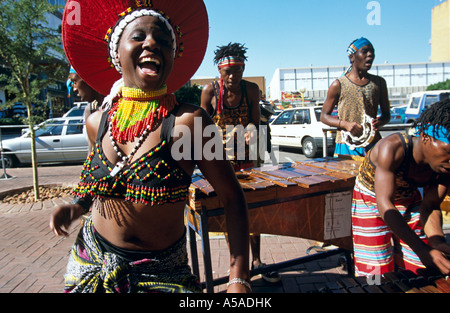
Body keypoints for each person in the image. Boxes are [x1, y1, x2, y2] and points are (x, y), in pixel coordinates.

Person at [50, 0, 250, 293]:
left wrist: (238, 278)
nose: (152, 44)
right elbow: (100, 183)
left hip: (162, 273)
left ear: (173, 55)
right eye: (139, 36)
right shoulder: (98, 122)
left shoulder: (189, 123)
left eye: (164, 40)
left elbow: (233, 199)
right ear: (117, 53)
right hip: (90, 262)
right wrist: (76, 207)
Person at [200, 43, 280, 283]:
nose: (233, 76)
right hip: (221, 160)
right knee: (228, 210)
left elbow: (256, 121)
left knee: (253, 207)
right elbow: (201, 127)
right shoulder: (209, 91)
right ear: (219, 70)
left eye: (238, 70)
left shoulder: (252, 90)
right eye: (228, 72)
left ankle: (256, 260)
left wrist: (252, 130)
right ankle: (237, 265)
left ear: (244, 69)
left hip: (247, 156)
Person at [352, 99, 450, 277]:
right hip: (373, 200)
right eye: (449, 152)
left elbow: (430, 205)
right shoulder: (393, 148)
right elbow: (385, 206)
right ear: (426, 138)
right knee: (376, 268)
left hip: (408, 197)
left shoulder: (444, 168)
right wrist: (423, 250)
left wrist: (436, 242)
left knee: (420, 265)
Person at [321, 37, 390, 158]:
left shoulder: (379, 83)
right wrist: (345, 124)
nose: (370, 55)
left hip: (373, 144)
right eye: (365, 51)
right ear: (352, 57)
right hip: (346, 145)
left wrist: (378, 123)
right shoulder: (338, 84)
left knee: (373, 176)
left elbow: (386, 115)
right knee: (347, 177)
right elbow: (324, 116)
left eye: (372, 52)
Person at [67, 66, 105, 153]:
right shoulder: (91, 110)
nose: (74, 89)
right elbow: (91, 152)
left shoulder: (120, 105)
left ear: (88, 79)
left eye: (75, 82)